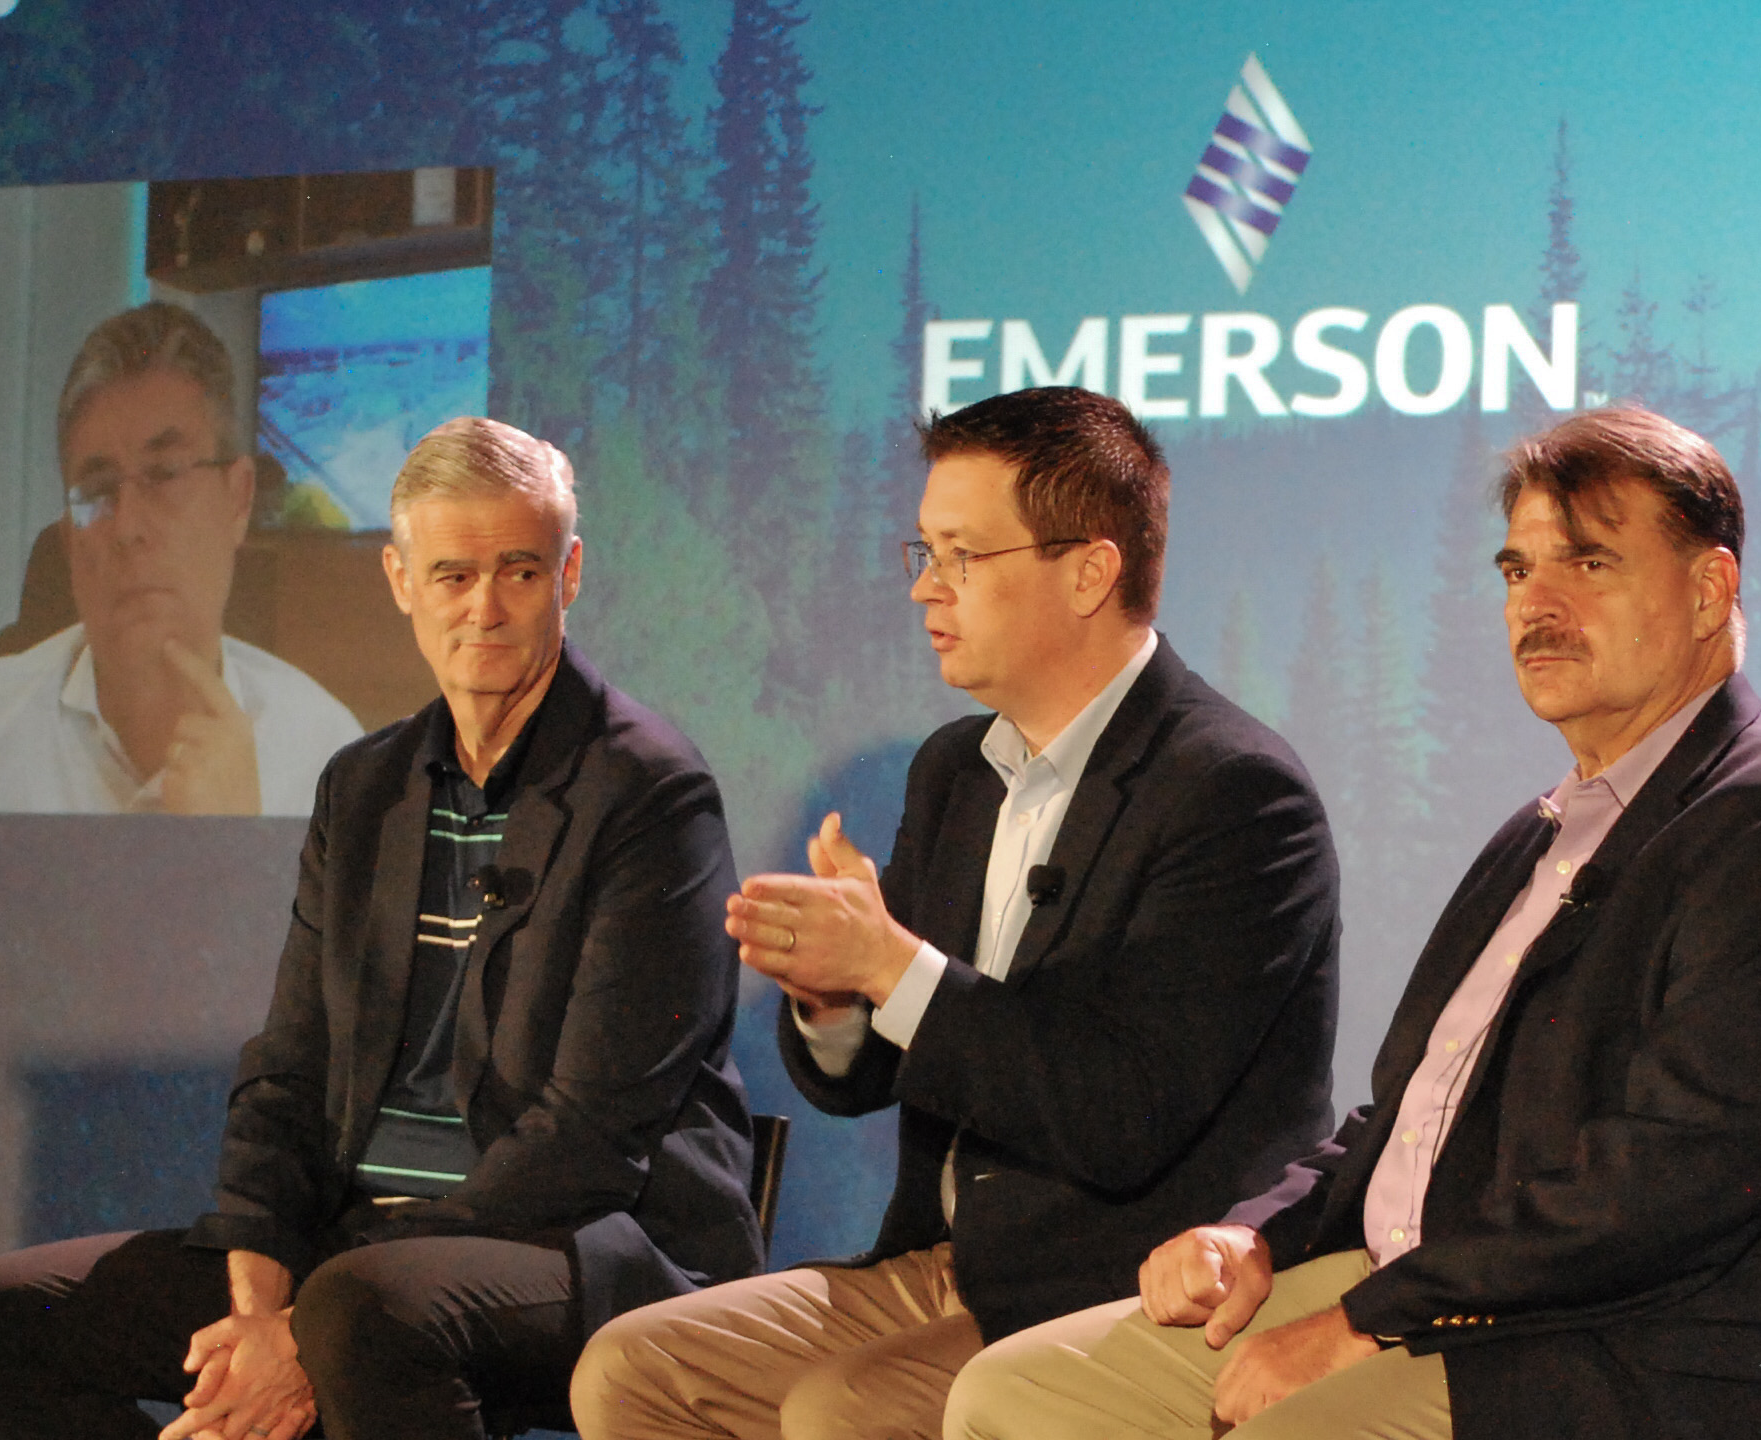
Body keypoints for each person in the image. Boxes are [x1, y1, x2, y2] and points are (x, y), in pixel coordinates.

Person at [944, 406, 1761, 1440]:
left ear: (1708, 589)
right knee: (1014, 1397)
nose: (1537, 605)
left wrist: (1363, 1323)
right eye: (1516, 572)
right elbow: (1401, 1120)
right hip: (1425, 1290)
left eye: (1589, 565)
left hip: (1628, 1347)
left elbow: (1660, 1189)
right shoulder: (1538, 835)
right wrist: (1256, 1240)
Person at [0, 416, 764, 1440]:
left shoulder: (646, 790)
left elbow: (586, 1137)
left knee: (362, 1314)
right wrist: (257, 1286)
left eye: (521, 572)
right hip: (352, 1253)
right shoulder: (365, 785)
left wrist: (313, 1308)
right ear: (401, 579)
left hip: (588, 1248)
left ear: (570, 573)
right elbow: (291, 1062)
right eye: (453, 576)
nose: (487, 611)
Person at [571, 385, 1342, 1440]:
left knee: (840, 1412)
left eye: (964, 557)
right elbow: (889, 1069)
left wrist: (892, 968)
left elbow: (1119, 1116)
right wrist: (837, 1001)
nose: (928, 588)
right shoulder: (955, 770)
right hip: (942, 1261)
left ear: (1088, 570)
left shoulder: (1235, 795)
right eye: (922, 552)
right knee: (630, 1370)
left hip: (1114, 1280)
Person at [0, 301, 361, 815]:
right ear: (68, 540)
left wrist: (242, 851)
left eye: (165, 474)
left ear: (238, 499)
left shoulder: (329, 764)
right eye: (98, 488)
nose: (127, 528)